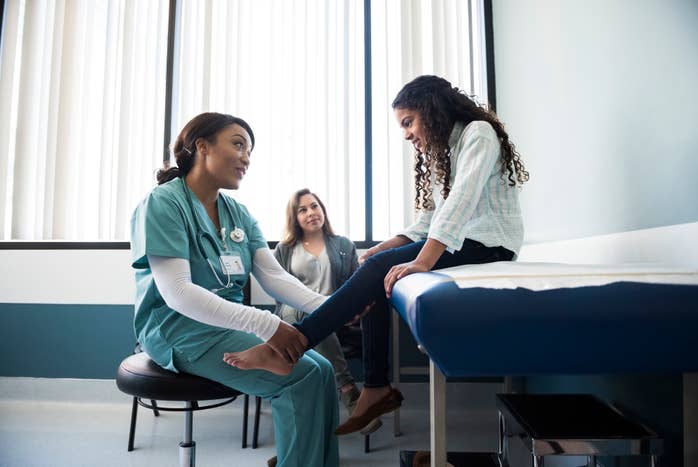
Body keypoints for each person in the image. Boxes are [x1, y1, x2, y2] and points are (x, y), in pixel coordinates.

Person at [225, 75, 529, 435]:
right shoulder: (441, 155)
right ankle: (376, 385)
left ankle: (293, 346)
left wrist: (422, 260)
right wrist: (386, 247)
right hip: (462, 242)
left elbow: (459, 205)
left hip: (489, 245)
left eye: (408, 122)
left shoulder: (478, 133)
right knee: (378, 268)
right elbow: (429, 220)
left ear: (432, 111)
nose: (406, 134)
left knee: (386, 267)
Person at [130, 112, 339, 467]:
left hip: (228, 326)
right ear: (202, 146)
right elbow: (177, 292)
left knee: (323, 371)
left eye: (250, 150)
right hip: (179, 329)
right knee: (300, 376)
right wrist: (267, 325)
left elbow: (274, 277)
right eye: (238, 144)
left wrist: (332, 307)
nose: (246, 158)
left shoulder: (238, 213)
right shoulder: (164, 202)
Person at [272, 188, 382, 434]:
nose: (311, 213)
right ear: (295, 217)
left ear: (322, 210)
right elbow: (278, 291)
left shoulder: (343, 245)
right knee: (300, 310)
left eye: (314, 206)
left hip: (335, 318)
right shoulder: (284, 249)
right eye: (303, 210)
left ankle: (304, 430)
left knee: (318, 316)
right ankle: (348, 391)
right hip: (293, 318)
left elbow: (356, 287)